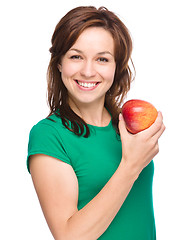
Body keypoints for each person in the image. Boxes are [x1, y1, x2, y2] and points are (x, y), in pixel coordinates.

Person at [27, 6, 165, 240]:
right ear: (59, 63)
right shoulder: (49, 135)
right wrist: (131, 165)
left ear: (116, 67)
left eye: (102, 59)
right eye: (76, 56)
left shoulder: (127, 127)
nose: (88, 71)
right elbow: (69, 236)